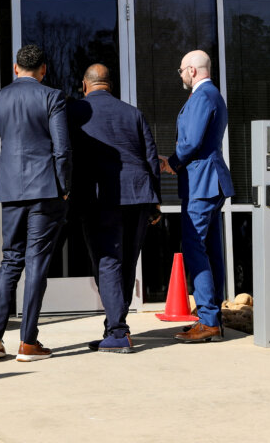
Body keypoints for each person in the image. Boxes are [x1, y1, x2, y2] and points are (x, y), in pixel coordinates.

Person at [0, 44, 72, 362]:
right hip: (46, 191)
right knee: (36, 264)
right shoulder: (52, 97)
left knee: (10, 262)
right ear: (43, 70)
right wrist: (64, 187)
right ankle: (28, 343)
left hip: (11, 194)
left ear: (15, 68)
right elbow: (62, 150)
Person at [68, 64, 161, 354]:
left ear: (85, 85)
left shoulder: (75, 111)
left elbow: (65, 153)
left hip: (101, 197)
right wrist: (155, 200)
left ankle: (118, 332)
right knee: (127, 262)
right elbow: (150, 156)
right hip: (138, 194)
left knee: (107, 262)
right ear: (110, 84)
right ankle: (114, 327)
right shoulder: (133, 113)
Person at [159, 50, 234, 342]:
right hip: (208, 182)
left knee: (194, 248)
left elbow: (190, 142)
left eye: (181, 70)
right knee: (210, 250)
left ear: (192, 70)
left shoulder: (203, 96)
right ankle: (212, 318)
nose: (180, 75)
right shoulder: (212, 94)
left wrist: (172, 163)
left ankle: (208, 320)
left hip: (203, 184)